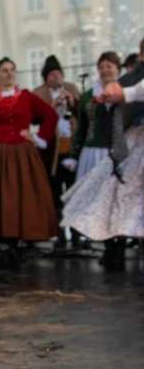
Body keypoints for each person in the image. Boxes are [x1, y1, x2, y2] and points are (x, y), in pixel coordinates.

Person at [0, 58, 59, 264]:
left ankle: (24, 237)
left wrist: (38, 137)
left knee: (23, 194)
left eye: (12, 70)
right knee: (0, 196)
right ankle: (3, 239)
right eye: (4, 71)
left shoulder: (26, 96)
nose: (9, 74)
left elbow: (51, 115)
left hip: (22, 153)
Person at [62, 52, 139, 269]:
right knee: (98, 202)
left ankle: (120, 247)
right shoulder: (88, 96)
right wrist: (74, 155)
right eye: (102, 67)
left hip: (117, 152)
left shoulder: (126, 92)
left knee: (118, 200)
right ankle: (107, 246)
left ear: (117, 69)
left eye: (109, 66)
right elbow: (82, 128)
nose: (105, 70)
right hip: (93, 152)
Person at [31, 55, 81, 249]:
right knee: (54, 193)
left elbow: (85, 114)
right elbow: (34, 119)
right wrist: (51, 107)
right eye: (52, 74)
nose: (56, 77)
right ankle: (59, 233)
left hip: (71, 145)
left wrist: (72, 101)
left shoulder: (72, 88)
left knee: (74, 191)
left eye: (59, 73)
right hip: (51, 150)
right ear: (46, 77)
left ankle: (76, 234)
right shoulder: (39, 93)